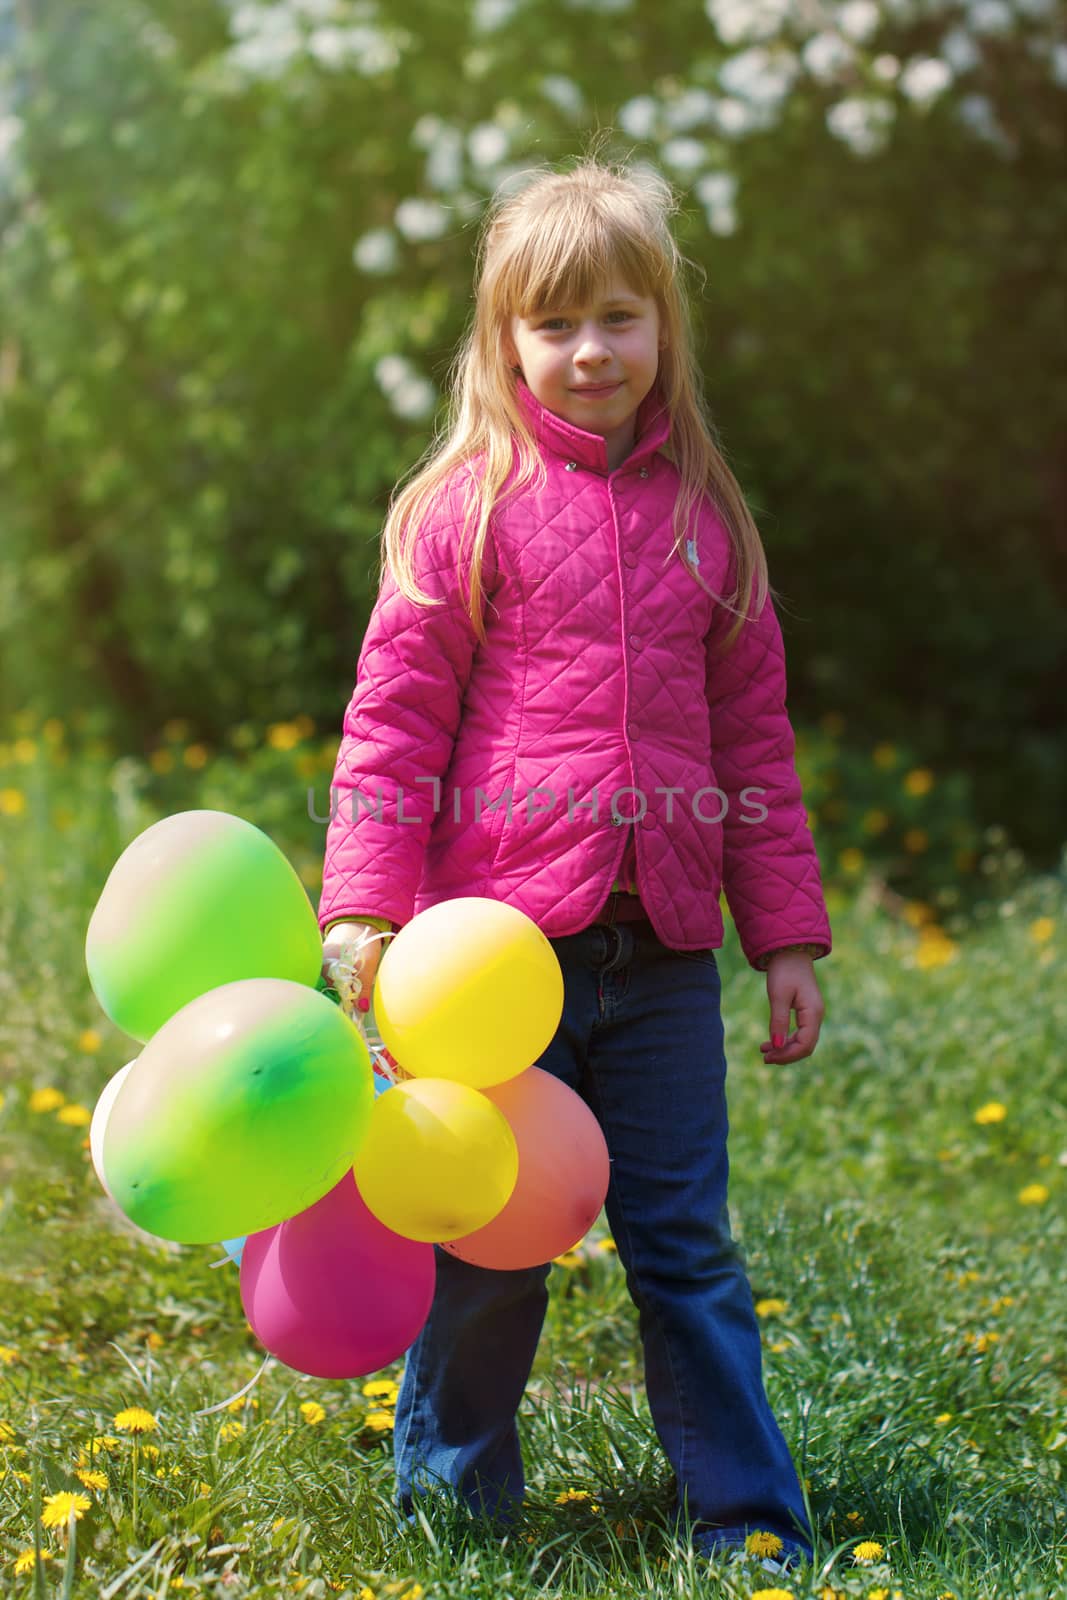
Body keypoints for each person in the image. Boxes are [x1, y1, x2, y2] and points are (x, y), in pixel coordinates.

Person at [318, 149, 831, 1572]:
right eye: (556, 323)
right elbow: (390, 734)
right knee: (488, 1250)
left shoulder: (707, 526)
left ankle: (747, 1522)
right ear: (507, 341)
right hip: (494, 966)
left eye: (619, 316)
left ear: (666, 325)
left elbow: (756, 754)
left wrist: (784, 935)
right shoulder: (460, 513)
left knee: (687, 1252)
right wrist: (365, 905)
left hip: (664, 957)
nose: (591, 349)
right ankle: (453, 1512)